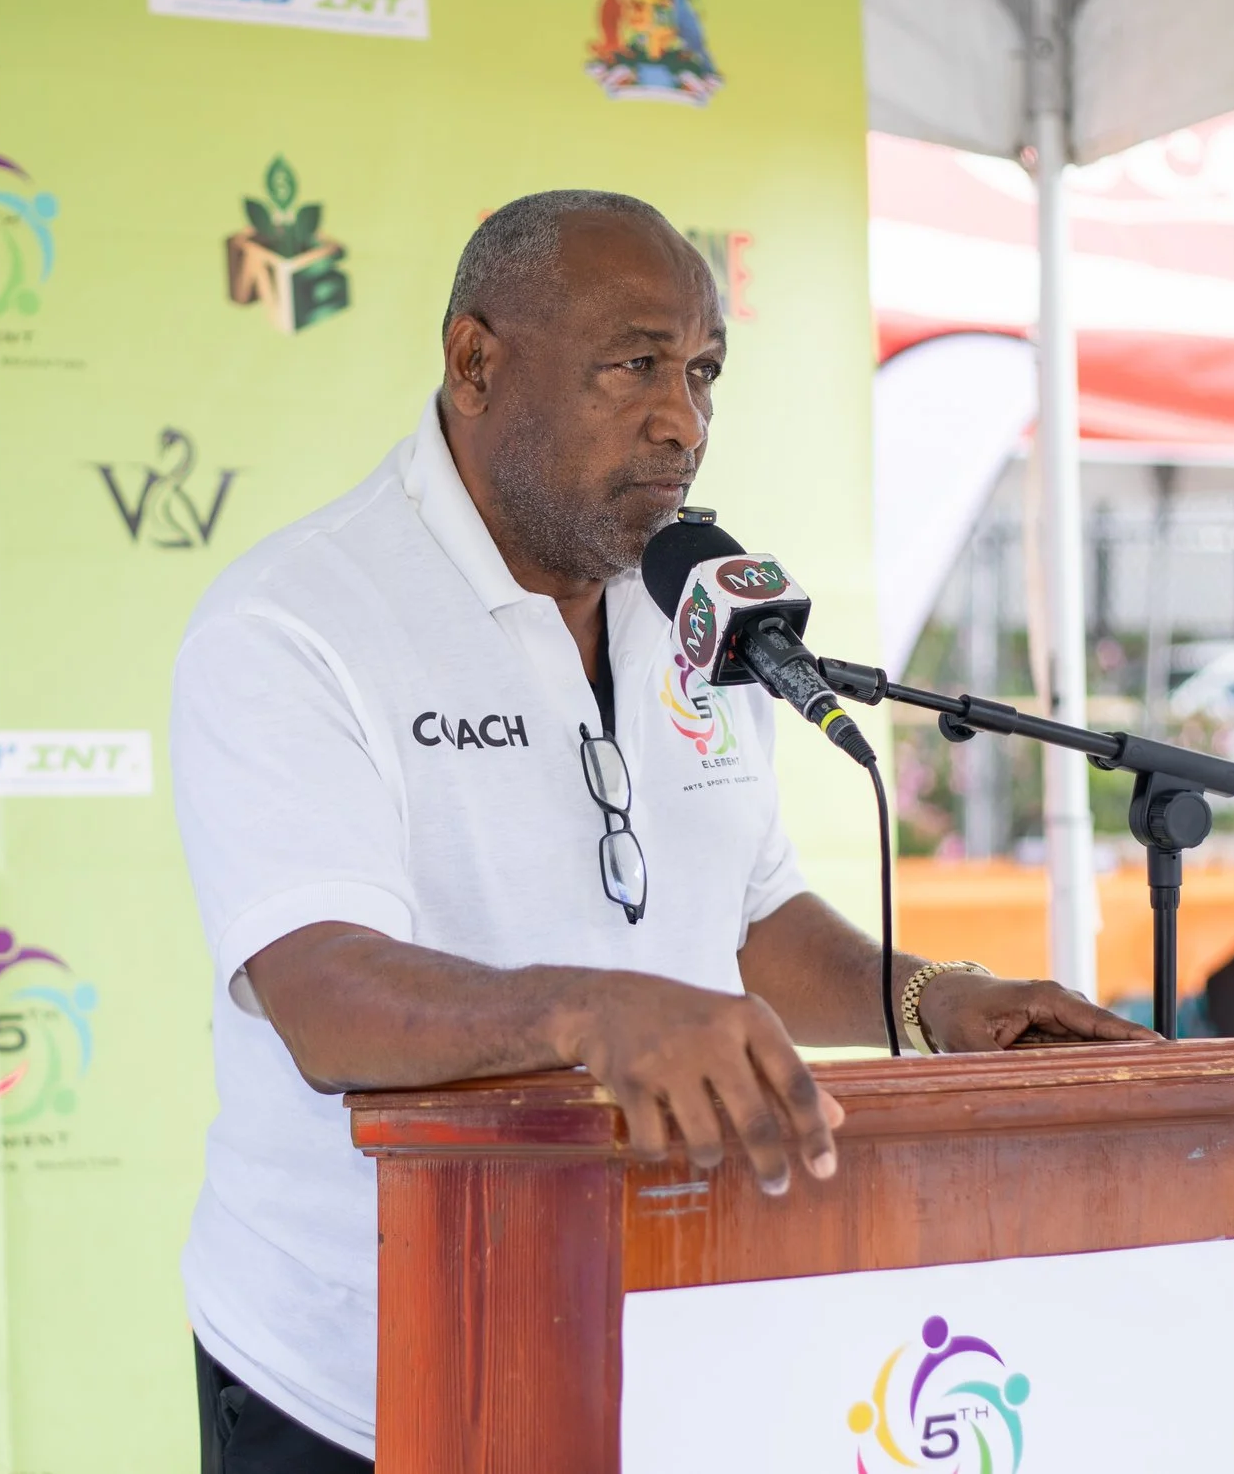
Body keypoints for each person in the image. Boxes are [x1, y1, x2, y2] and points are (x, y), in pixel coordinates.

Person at [168, 189, 1157, 1473]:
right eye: (634, 362)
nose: (679, 418)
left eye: (700, 372)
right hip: (363, 1372)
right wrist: (593, 1011)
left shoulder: (697, 616)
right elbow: (324, 993)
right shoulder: (296, 621)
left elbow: (746, 921)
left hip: (663, 1335)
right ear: (476, 362)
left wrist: (931, 999)